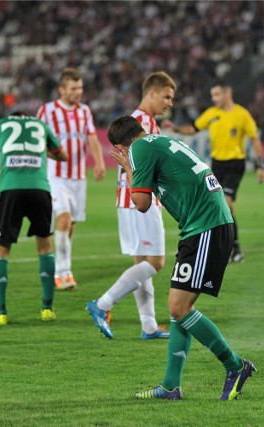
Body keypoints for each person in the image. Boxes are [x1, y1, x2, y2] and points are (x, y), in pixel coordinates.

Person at [107, 115, 256, 400]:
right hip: (204, 226)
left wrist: (128, 169)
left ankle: (235, 365)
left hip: (205, 227)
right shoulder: (161, 140)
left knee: (179, 308)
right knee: (178, 312)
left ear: (121, 146)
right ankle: (171, 386)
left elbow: (140, 203)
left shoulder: (138, 150)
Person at [86, 71, 176, 339]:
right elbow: (141, 165)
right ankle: (102, 304)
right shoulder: (143, 124)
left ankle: (148, 325)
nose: (170, 103)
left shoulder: (137, 121)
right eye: (167, 96)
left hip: (127, 198)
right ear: (151, 93)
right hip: (140, 198)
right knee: (156, 261)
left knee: (142, 262)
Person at [0, 112, 68, 325]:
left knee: (1, 249)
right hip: (40, 190)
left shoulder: (0, 124)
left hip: (10, 190)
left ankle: (1, 313)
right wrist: (40, 153)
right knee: (45, 246)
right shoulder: (40, 125)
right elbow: (62, 155)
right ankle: (47, 309)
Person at [164, 80, 264, 263]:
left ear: (228, 94)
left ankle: (235, 250)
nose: (214, 98)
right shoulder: (211, 114)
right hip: (216, 165)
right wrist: (176, 128)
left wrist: (260, 166)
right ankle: (226, 248)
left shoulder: (242, 114)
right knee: (215, 206)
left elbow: (254, 139)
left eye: (217, 94)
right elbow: (193, 129)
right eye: (212, 95)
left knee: (226, 204)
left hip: (235, 164)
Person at [37, 68, 106, 290]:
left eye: (81, 88)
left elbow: (91, 137)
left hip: (78, 176)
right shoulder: (47, 111)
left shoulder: (84, 111)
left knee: (72, 224)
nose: (79, 92)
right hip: (55, 176)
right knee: (64, 219)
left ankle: (63, 267)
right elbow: (37, 138)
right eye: (74, 88)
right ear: (62, 89)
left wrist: (99, 162)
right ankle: (62, 272)